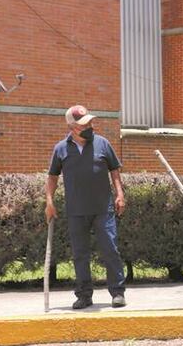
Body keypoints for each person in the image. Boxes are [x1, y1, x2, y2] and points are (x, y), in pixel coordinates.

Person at [45, 105, 127, 310]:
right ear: (72, 127)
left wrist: (120, 194)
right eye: (84, 124)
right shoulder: (61, 149)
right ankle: (84, 295)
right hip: (76, 211)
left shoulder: (103, 143)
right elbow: (52, 176)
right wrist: (49, 202)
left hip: (103, 208)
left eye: (90, 122)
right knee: (80, 254)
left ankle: (117, 292)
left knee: (110, 249)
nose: (90, 126)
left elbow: (114, 170)